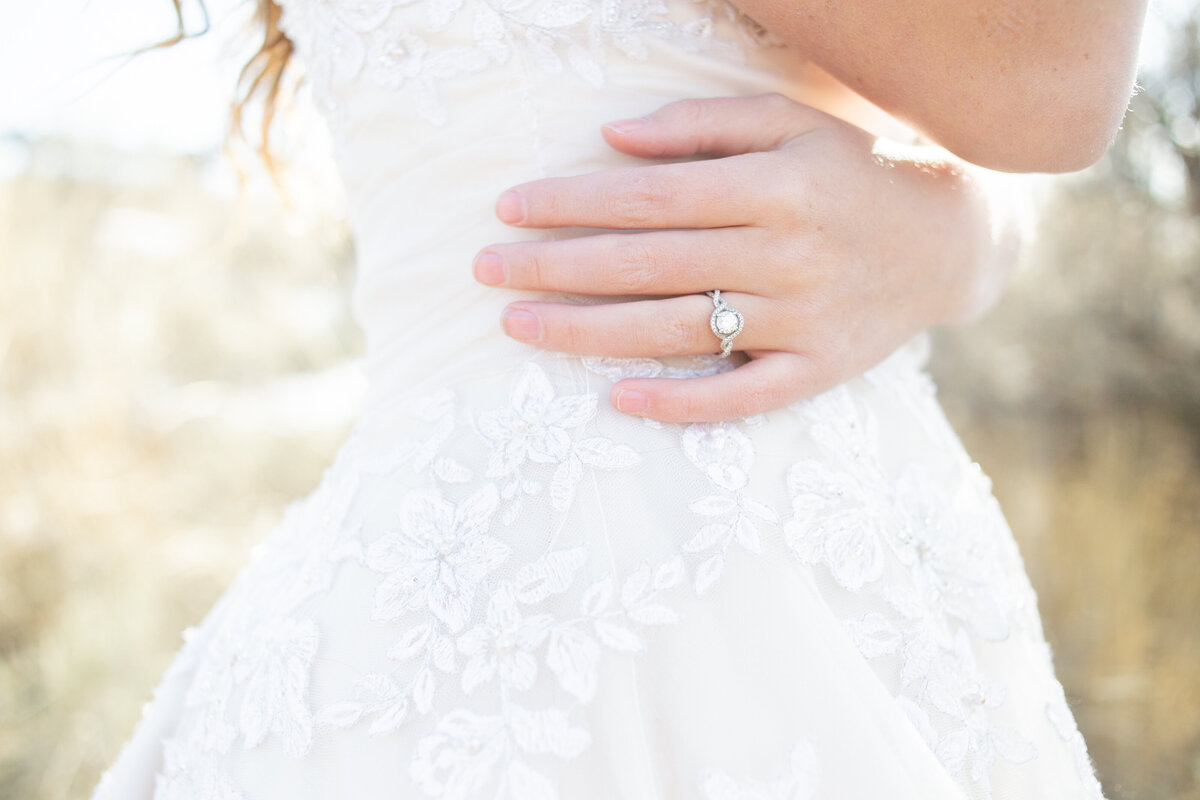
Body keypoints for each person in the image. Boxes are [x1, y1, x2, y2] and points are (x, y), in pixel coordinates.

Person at [90, 0, 1146, 798]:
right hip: (721, 565)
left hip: (384, 605)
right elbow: (1058, 79)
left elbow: (1029, 119)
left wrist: (953, 241)